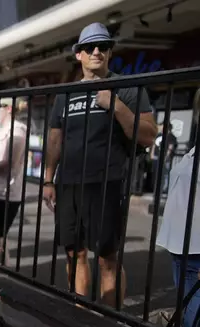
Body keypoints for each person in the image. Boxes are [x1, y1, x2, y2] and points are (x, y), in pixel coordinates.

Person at [43, 23, 157, 307]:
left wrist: (116, 105)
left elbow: (148, 135)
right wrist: (47, 179)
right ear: (78, 55)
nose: (96, 51)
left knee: (107, 257)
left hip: (107, 182)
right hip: (68, 183)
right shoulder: (65, 94)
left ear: (109, 53)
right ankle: (80, 314)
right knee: (75, 253)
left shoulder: (126, 89)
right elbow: (55, 141)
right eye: (89, 47)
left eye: (103, 46)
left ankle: (110, 322)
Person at [156, 146, 200, 327]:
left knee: (195, 302)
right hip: (178, 242)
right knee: (187, 299)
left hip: (196, 245)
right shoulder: (192, 151)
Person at [0, 97, 28, 264]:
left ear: (8, 108)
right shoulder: (1, 130)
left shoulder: (17, 131)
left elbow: (8, 164)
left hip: (7, 193)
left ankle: (1, 270)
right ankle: (1, 269)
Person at [151, 122, 178, 193]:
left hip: (165, 158)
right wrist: (152, 154)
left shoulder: (171, 136)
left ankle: (163, 190)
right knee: (157, 173)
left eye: (162, 126)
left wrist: (166, 157)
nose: (161, 128)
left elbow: (170, 148)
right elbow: (154, 145)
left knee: (165, 174)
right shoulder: (159, 135)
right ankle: (156, 189)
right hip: (157, 157)